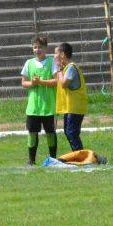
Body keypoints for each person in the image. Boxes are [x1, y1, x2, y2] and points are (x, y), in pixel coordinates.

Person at [34, 43, 88, 152]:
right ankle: (79, 155)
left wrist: (58, 69)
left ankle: (81, 157)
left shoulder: (71, 67)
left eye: (55, 53)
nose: (54, 56)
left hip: (75, 107)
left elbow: (63, 84)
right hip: (69, 107)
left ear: (62, 54)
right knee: (68, 132)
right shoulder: (66, 68)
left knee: (72, 133)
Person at [20, 35, 57, 165]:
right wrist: (33, 84)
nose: (37, 50)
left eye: (40, 47)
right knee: (32, 133)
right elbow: (24, 83)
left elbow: (56, 81)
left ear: (45, 48)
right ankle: (31, 161)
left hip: (48, 106)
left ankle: (53, 159)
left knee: (50, 133)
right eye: (35, 47)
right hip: (33, 107)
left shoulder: (52, 62)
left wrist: (41, 81)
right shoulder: (28, 63)